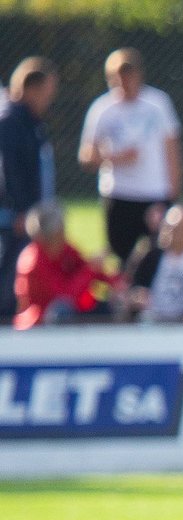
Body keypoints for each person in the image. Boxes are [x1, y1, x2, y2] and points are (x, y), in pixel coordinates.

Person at [79, 48, 182, 271]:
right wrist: (115, 158)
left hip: (154, 193)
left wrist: (170, 195)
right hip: (119, 193)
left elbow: (172, 149)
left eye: (128, 77)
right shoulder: (102, 109)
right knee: (121, 256)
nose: (124, 84)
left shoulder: (158, 104)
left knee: (157, 254)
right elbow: (86, 156)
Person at [1, 57, 59, 323]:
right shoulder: (11, 122)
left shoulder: (32, 123)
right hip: (15, 219)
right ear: (31, 88)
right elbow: (9, 170)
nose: (50, 100)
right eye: (47, 92)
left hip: (29, 217)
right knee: (8, 274)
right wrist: (21, 211)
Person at [12, 202, 118, 328]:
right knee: (61, 310)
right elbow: (64, 296)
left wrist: (117, 284)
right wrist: (91, 269)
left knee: (99, 299)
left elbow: (88, 271)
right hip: (39, 322)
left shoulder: (64, 250)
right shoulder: (33, 262)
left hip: (71, 308)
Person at [128, 203, 183, 323]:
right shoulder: (151, 258)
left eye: (176, 229)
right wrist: (138, 296)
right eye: (166, 227)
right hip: (153, 319)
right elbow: (135, 287)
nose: (168, 232)